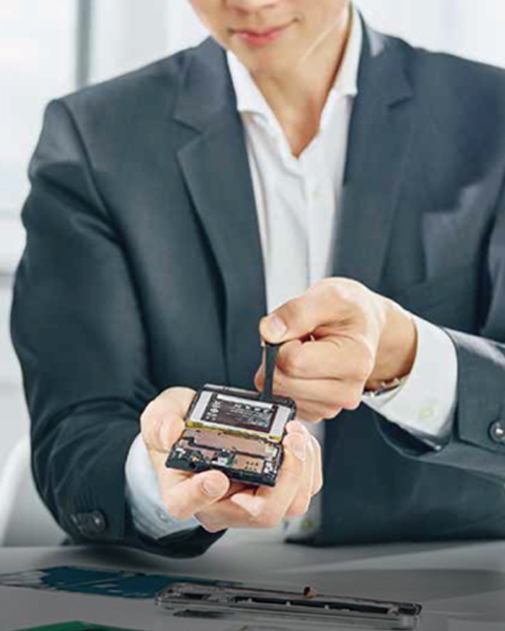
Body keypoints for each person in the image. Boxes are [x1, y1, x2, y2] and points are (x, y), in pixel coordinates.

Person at [10, 0, 505, 558]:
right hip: (184, 579)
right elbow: (75, 430)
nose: (248, 3)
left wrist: (408, 358)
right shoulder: (94, 138)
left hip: (444, 573)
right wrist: (159, 479)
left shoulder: (493, 117)